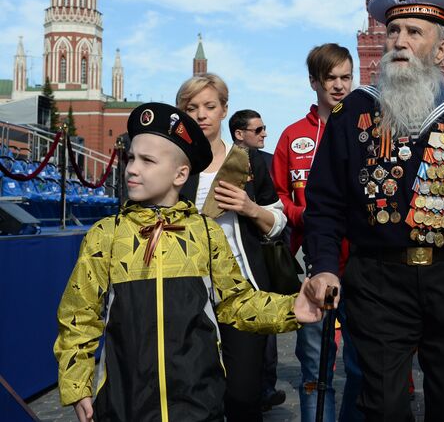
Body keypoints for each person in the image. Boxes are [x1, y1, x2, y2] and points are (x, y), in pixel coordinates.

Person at [303, 0, 444, 421]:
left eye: (414, 32)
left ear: (442, 51)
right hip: (378, 279)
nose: (399, 41)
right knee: (381, 404)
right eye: (393, 31)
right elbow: (324, 203)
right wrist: (325, 266)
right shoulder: (353, 114)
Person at [53, 102, 319, 422]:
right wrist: (76, 384)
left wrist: (293, 308)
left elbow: (236, 303)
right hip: (124, 406)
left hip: (199, 406)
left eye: (148, 160)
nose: (133, 169)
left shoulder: (205, 234)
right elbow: (78, 315)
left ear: (181, 173)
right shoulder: (106, 236)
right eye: (132, 158)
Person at [176, 74, 288, 422]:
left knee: (242, 396)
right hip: (185, 295)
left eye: (210, 106)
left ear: (224, 109)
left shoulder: (250, 162)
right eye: (192, 108)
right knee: (193, 396)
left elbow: (278, 222)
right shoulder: (174, 163)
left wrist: (249, 207)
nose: (202, 114)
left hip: (241, 293)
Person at [272, 42, 363, 421]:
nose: (339, 86)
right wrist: (305, 216)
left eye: (346, 77)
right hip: (314, 265)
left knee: (363, 366)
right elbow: (276, 198)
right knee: (314, 369)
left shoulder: (367, 130)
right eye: (331, 79)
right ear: (314, 82)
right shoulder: (293, 136)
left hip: (362, 264)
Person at [228, 108, 287, 411]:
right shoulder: (219, 162)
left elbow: (276, 213)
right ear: (240, 133)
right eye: (259, 129)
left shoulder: (265, 162)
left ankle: (263, 387)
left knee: (265, 331)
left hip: (257, 261)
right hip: (234, 263)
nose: (265, 133)